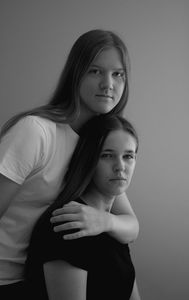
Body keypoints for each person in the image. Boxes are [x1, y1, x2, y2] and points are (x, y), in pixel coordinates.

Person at [0, 29, 140, 298]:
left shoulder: (98, 144)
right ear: (75, 73)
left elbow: (131, 226)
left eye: (118, 74)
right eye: (95, 71)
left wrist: (104, 221)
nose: (108, 84)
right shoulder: (36, 132)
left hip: (38, 277)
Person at [25, 114, 139, 300]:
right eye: (107, 155)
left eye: (128, 156)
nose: (120, 167)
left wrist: (109, 222)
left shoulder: (115, 224)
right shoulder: (67, 222)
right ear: (88, 159)